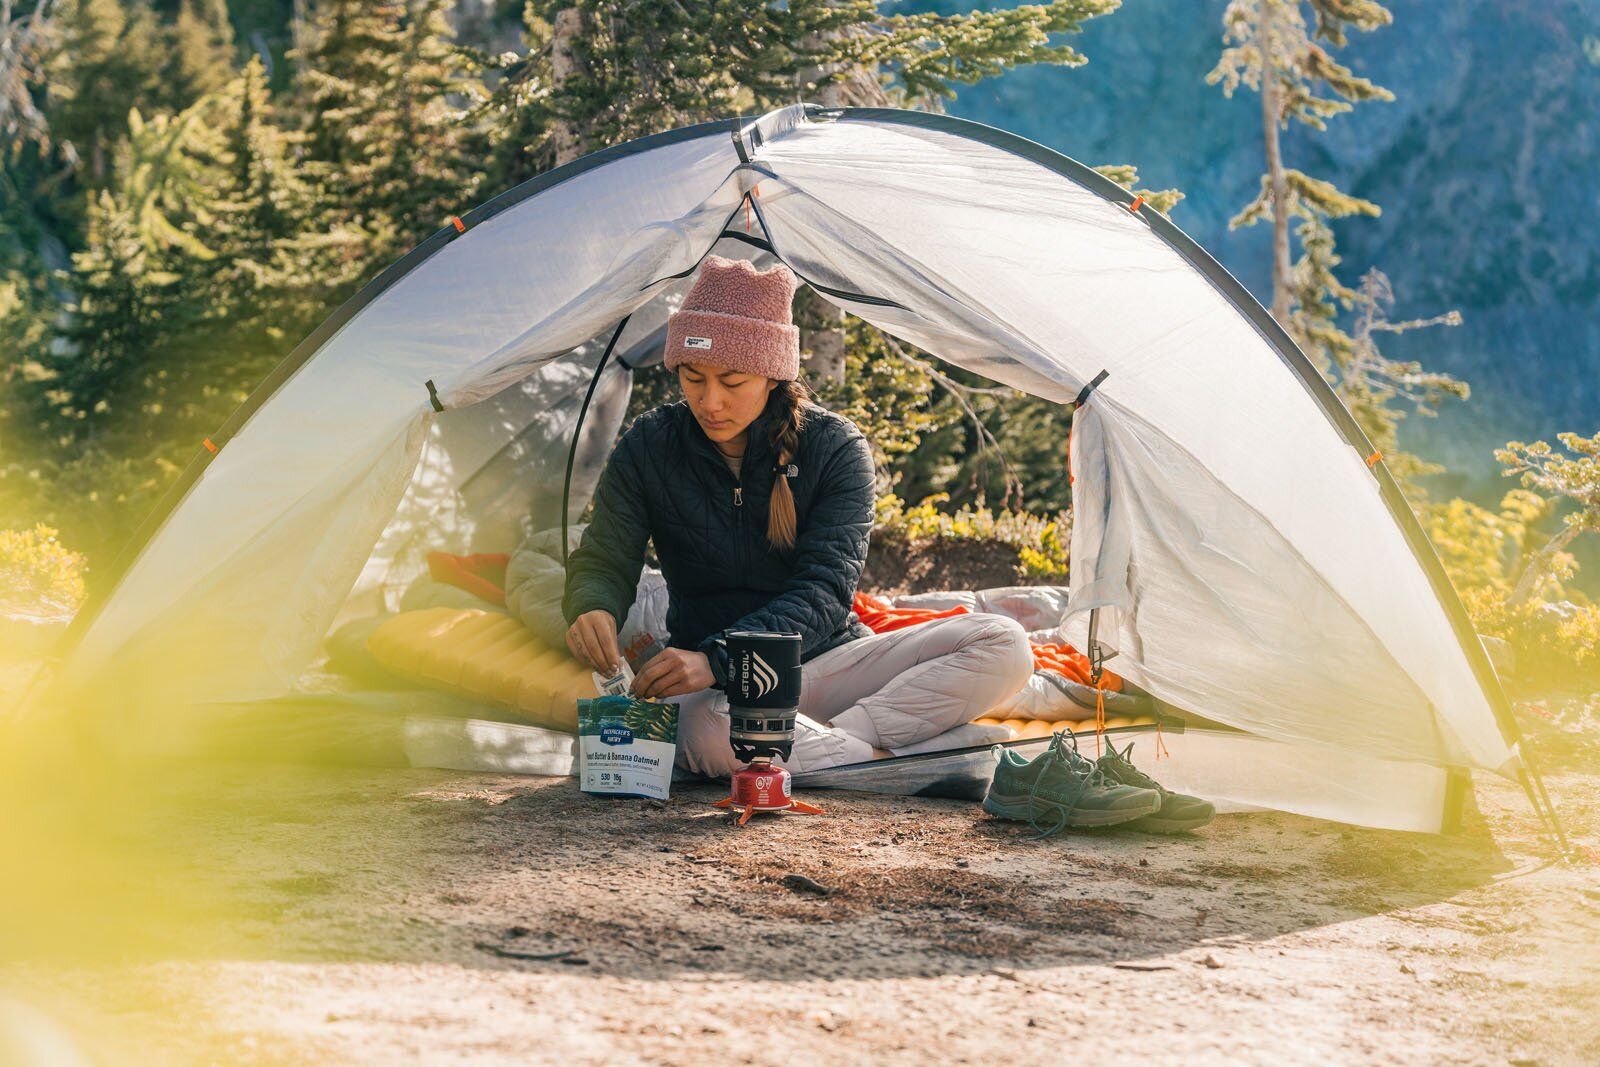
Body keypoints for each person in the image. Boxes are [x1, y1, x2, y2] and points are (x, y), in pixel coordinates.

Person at [562, 255, 1033, 776]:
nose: (709, 401)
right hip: (719, 693)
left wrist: (721, 657)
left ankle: (854, 751)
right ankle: (902, 757)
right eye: (692, 377)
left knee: (1004, 644)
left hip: (826, 665)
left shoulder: (834, 448)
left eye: (732, 381)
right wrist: (592, 605)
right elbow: (605, 554)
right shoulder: (650, 446)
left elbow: (823, 590)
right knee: (709, 733)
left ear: (771, 374)